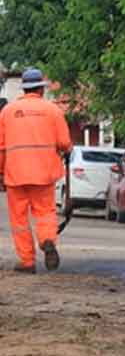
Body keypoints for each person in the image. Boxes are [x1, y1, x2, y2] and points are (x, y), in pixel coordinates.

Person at [0, 68, 72, 273]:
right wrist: (65, 150)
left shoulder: (7, 111)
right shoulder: (53, 110)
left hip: (15, 174)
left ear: (24, 89)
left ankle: (27, 261)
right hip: (44, 172)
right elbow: (65, 143)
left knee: (19, 219)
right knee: (45, 212)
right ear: (41, 88)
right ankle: (48, 240)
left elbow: (1, 147)